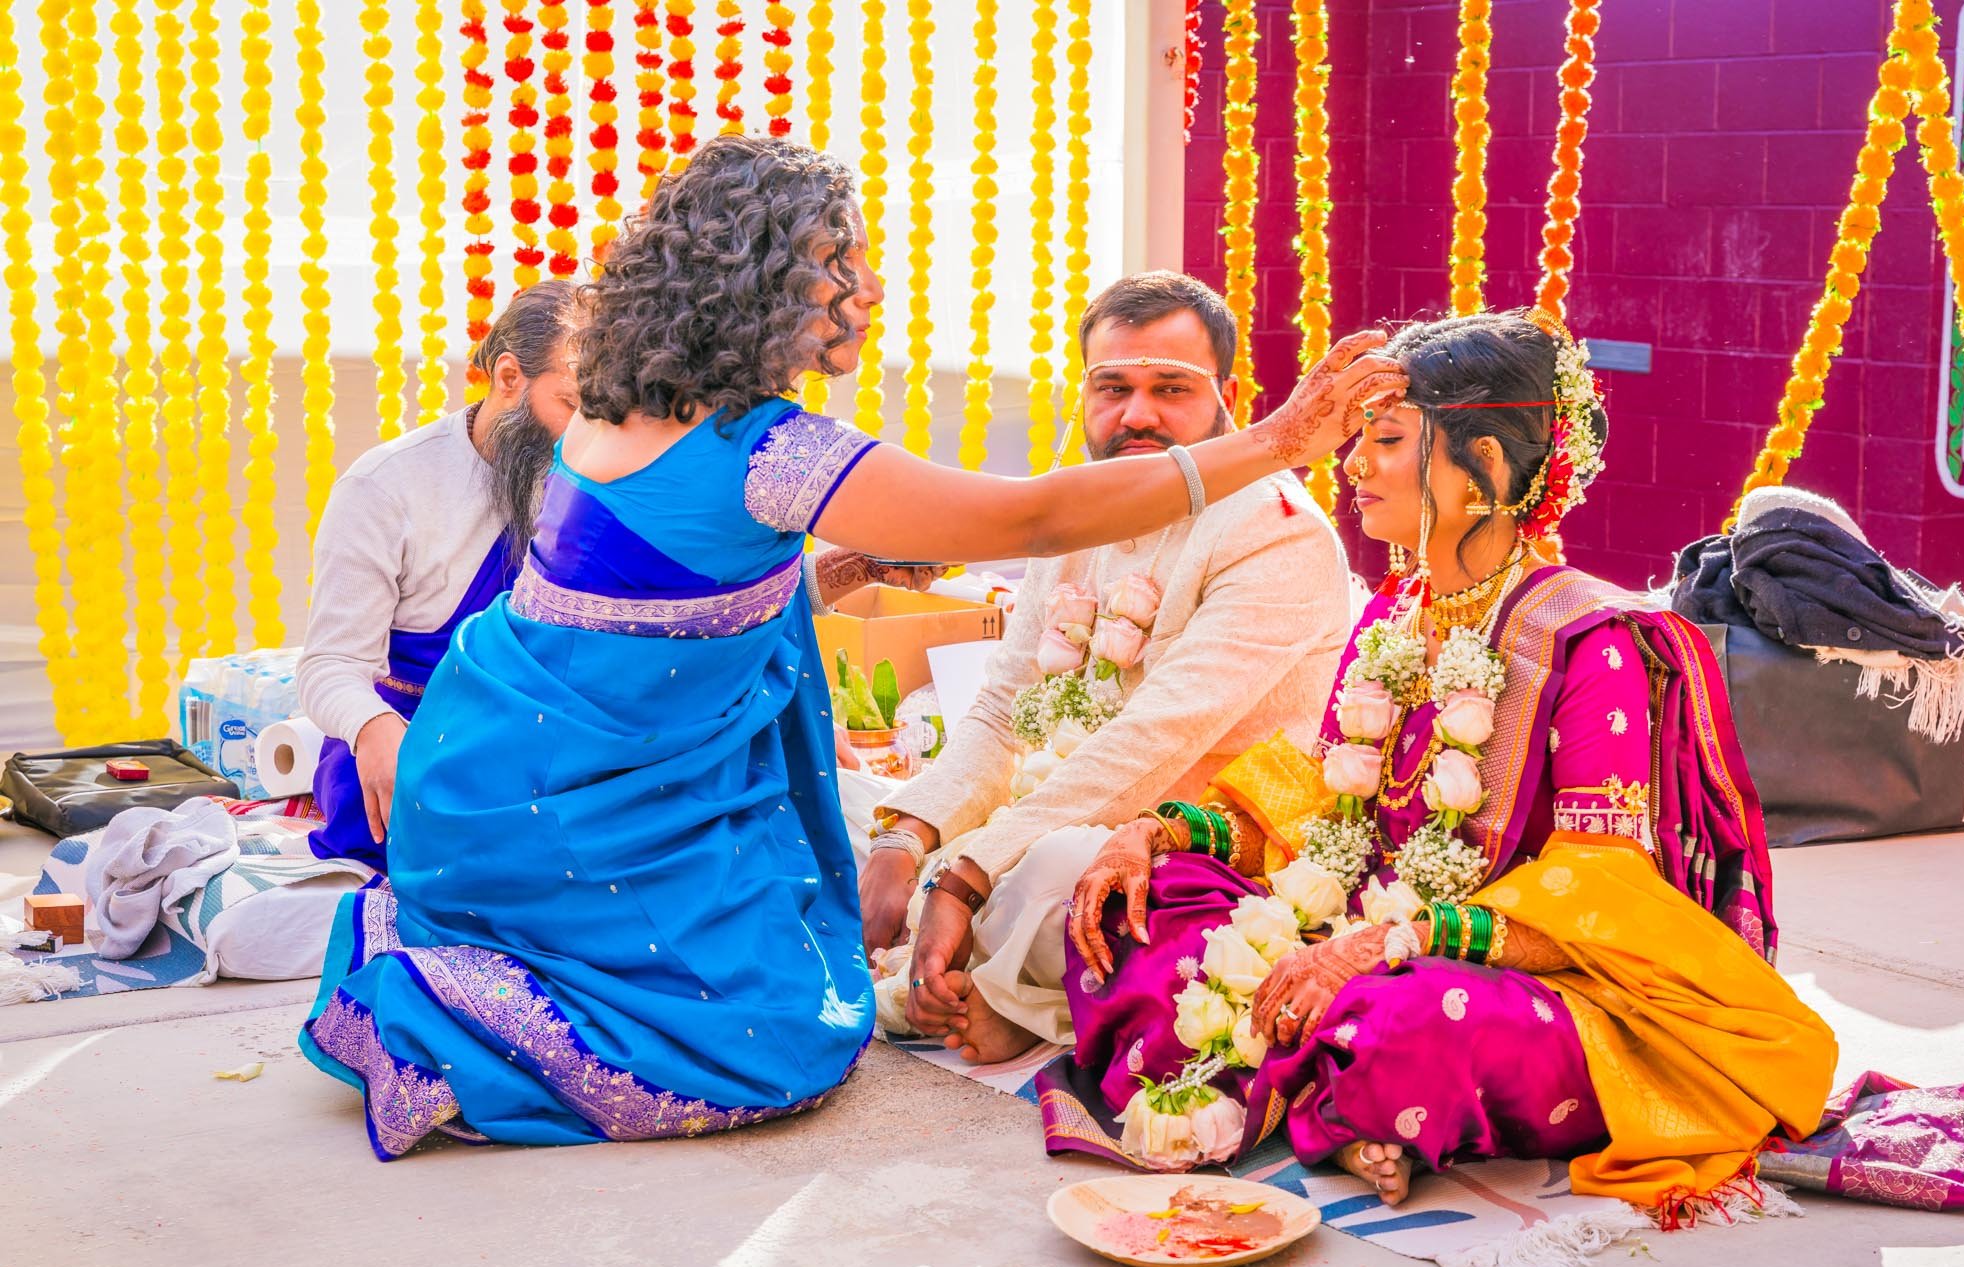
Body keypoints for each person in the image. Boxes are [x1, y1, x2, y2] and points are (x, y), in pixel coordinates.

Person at [297, 135, 1397, 1160]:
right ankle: (439, 1023)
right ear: (764, 280)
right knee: (779, 1042)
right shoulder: (775, 451)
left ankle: (466, 968)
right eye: (838, 263)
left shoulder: (611, 413)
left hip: (493, 782)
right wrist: (1276, 439)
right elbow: (1028, 520)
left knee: (854, 876)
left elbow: (680, 594)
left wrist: (928, 827)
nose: (865, 292)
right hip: (589, 816)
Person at [1037, 307, 1850, 1219]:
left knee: (1407, 1026)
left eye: (1385, 439)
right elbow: (1323, 802)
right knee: (1142, 900)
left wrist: (1393, 943)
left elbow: (1603, 897)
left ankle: (1316, 1081)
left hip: (1508, 975)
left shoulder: (1592, 643)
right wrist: (1157, 830)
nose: (1352, 465)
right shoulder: (1393, 613)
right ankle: (1337, 1101)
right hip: (1349, 928)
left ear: (1490, 468)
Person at [852, 271, 1352, 1064]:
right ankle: (981, 965)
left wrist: (964, 874)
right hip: (1060, 804)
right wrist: (908, 838)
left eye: (1170, 390)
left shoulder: (1274, 529)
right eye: (1113, 387)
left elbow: (1150, 745)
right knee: (848, 802)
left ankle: (1018, 994)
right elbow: (1002, 709)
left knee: (1059, 866)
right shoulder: (1087, 512)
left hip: (1187, 840)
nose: (1138, 415)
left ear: (1226, 395)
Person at [299, 281, 581, 871]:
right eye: (573, 406)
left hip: (541, 754)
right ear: (509, 377)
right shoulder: (385, 486)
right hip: (411, 751)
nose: (585, 434)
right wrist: (373, 728)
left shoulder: (593, 475)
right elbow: (332, 667)